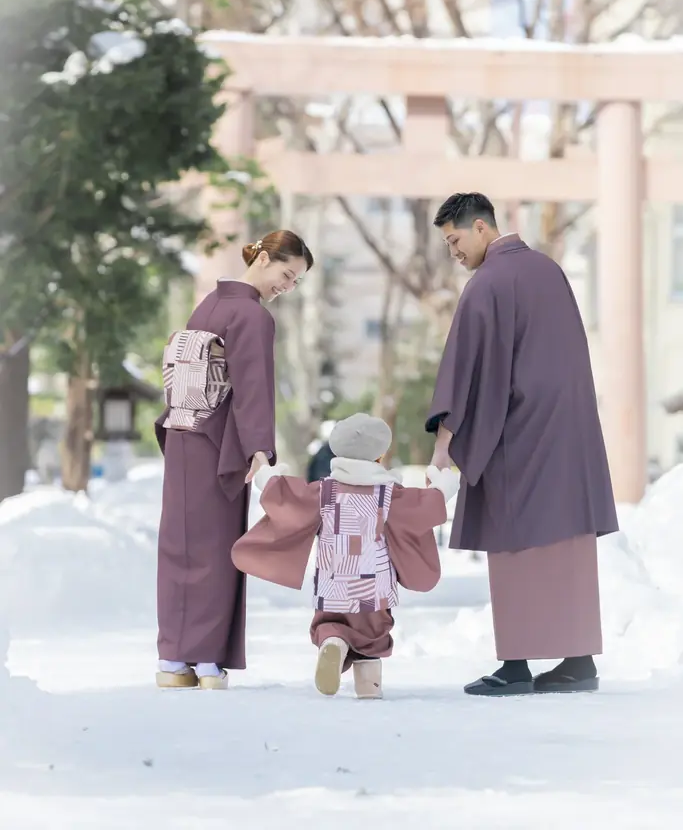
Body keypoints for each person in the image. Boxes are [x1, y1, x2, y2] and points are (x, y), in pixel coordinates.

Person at [425, 193, 618, 697]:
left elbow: (467, 372)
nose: (455, 253)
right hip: (569, 432)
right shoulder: (548, 270)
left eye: (455, 240)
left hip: (520, 435)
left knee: (514, 544)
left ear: (483, 227)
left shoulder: (488, 283)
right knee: (567, 545)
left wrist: (445, 444)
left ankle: (515, 665)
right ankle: (578, 661)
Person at [155, 230, 314, 690]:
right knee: (215, 550)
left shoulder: (208, 304)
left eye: (296, 281)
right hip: (218, 441)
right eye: (287, 274)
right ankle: (206, 661)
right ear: (263, 258)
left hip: (182, 433)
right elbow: (252, 390)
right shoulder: (252, 316)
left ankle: (173, 660)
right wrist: (259, 450)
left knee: (180, 547)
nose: (287, 286)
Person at [232, 413, 456, 699]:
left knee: (330, 623)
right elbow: (424, 507)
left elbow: (285, 498)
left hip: (332, 584)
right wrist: (442, 488)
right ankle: (368, 688)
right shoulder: (389, 495)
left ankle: (333, 643)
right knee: (373, 634)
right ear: (380, 456)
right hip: (373, 589)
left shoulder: (323, 492)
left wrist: (266, 474)